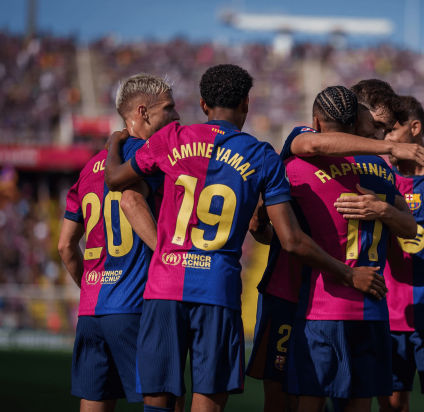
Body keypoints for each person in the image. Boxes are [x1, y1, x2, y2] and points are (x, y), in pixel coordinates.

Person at [103, 65, 385, 412]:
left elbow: (116, 180)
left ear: (204, 104)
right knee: (208, 401)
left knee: (158, 403)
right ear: (246, 104)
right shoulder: (262, 156)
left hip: (164, 289)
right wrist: (346, 273)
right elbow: (292, 241)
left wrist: (114, 142)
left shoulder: (172, 138)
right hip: (217, 292)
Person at [246, 82, 424, 412]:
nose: (382, 136)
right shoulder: (310, 147)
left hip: (322, 298)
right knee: (291, 394)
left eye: (387, 130)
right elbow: (265, 230)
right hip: (293, 290)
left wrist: (383, 210)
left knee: (298, 395)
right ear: (354, 116)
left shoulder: (308, 168)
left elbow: (260, 228)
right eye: (377, 126)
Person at [58, 74, 180, 412]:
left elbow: (66, 247)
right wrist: (169, 256)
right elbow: (131, 200)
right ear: (142, 112)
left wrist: (90, 287)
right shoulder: (148, 156)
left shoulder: (87, 170)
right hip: (135, 305)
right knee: (166, 400)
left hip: (91, 312)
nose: (177, 116)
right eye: (169, 108)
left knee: (95, 404)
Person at [350, 96, 424, 412]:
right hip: (388, 315)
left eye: (391, 132)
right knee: (393, 406)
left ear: (415, 128)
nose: (385, 141)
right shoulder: (379, 177)